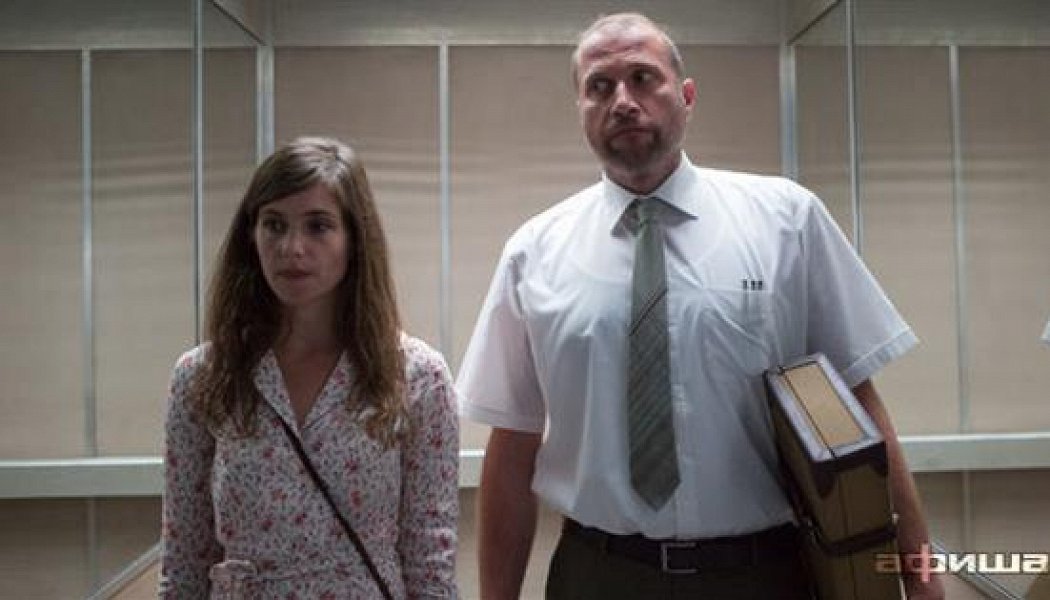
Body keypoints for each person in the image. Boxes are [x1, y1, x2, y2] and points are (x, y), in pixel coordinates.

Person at [456, 12, 944, 600]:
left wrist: (922, 581)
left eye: (643, 78)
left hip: (765, 575)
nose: (623, 101)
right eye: (600, 87)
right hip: (600, 575)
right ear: (580, 110)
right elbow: (512, 446)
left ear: (686, 97)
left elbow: (859, 404)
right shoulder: (533, 253)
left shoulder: (786, 222)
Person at [159, 137, 459, 598]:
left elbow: (430, 560)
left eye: (318, 226)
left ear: (354, 240)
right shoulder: (204, 377)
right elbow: (184, 558)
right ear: (251, 236)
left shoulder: (417, 377)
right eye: (274, 225)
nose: (292, 247)